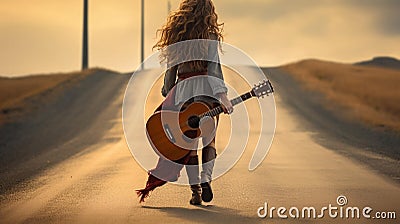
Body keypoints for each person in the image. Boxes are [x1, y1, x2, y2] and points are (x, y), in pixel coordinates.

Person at [137, 0, 233, 205]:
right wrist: (222, 95)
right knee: (209, 139)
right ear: (208, 13)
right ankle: (206, 178)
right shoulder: (210, 36)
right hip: (206, 91)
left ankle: (196, 192)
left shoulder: (176, 36)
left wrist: (168, 89)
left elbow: (170, 73)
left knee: (189, 145)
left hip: (182, 93)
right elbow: (214, 68)